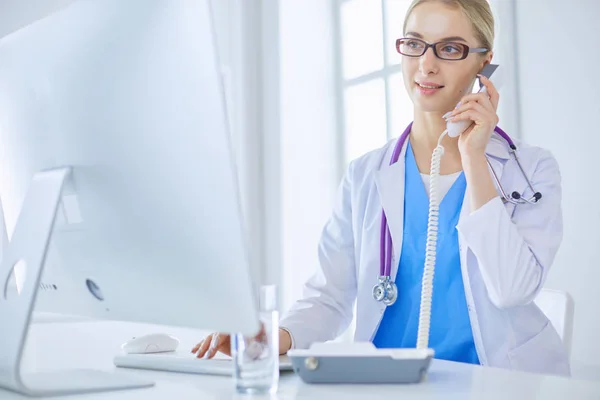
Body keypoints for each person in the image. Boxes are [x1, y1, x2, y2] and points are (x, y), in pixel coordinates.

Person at [192, 0, 570, 376]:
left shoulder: (531, 170)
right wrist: (277, 336)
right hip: (389, 383)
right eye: (415, 43)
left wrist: (474, 157)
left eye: (450, 48)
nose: (427, 63)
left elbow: (512, 290)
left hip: (497, 382)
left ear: (484, 64)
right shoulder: (365, 175)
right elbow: (330, 294)